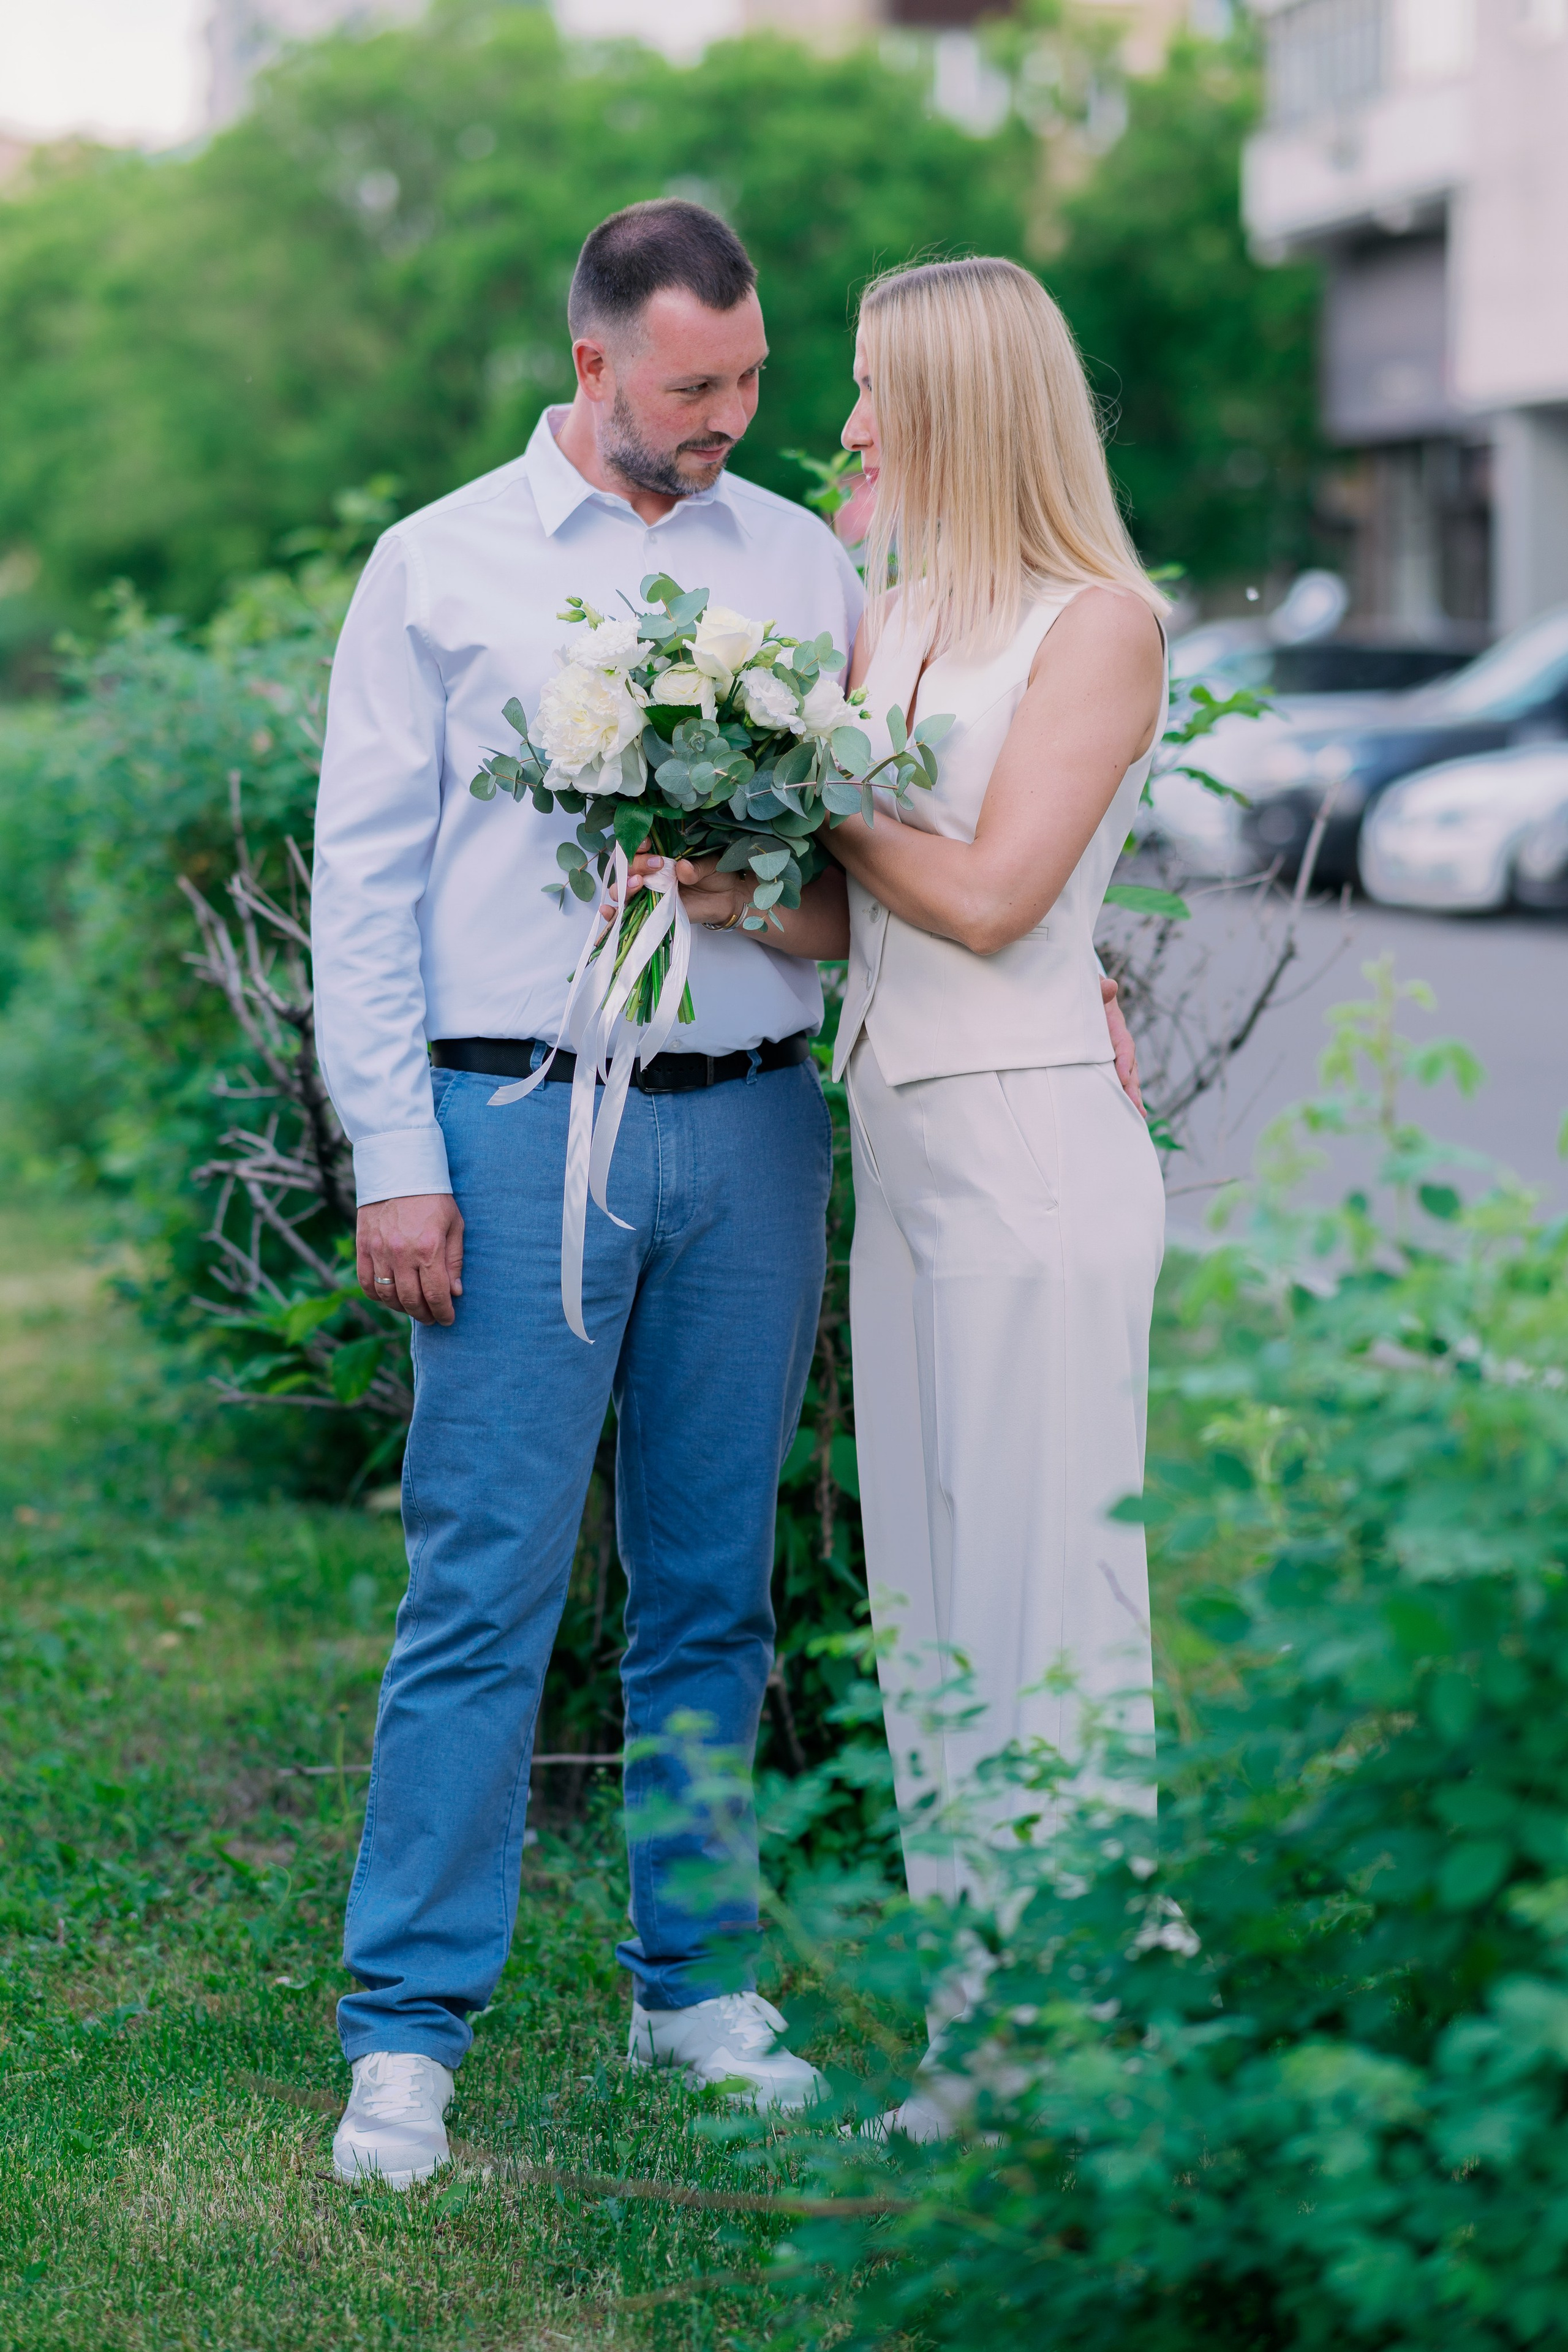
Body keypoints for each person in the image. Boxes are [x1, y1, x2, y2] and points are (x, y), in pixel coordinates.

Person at [311, 199, 864, 2189]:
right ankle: (407, 2030)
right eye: (694, 388)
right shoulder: (438, 566)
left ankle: (695, 1984)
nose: (729, 420)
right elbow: (362, 888)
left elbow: (858, 874)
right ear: (594, 365)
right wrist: (398, 1158)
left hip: (754, 1119)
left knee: (711, 1589)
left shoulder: (802, 564)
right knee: (486, 1588)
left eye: (751, 384)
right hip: (520, 1122)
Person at [644, 257, 1167, 2136]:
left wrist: (783, 758)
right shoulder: (905, 615)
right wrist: (725, 874)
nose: (848, 426)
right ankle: (981, 2045)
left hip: (1034, 1164)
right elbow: (860, 914)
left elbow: (998, 897)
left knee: (1051, 1605)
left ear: (962, 403)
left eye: (876, 393)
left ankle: (1087, 2043)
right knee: (935, 1610)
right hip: (913, 1155)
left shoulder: (1099, 626)